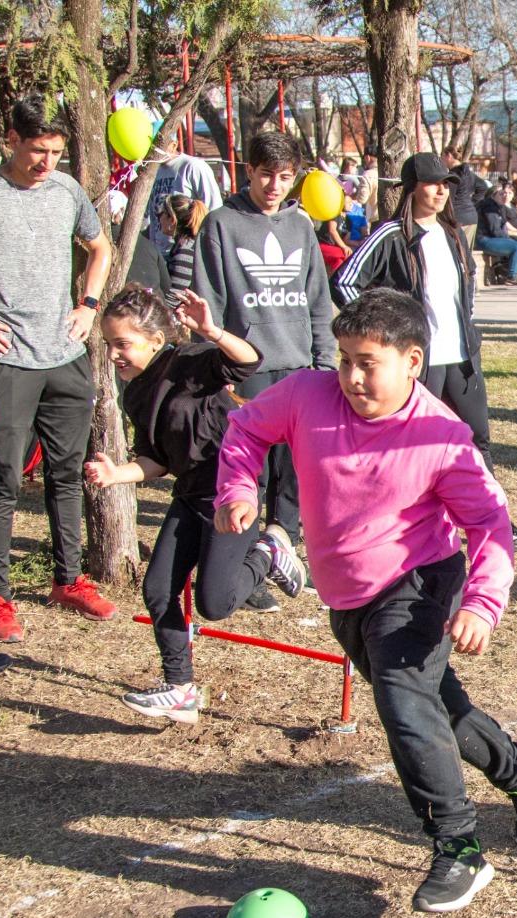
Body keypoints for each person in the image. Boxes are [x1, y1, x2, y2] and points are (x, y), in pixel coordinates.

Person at [214, 288, 517, 913]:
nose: (350, 376)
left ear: (412, 362)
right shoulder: (304, 394)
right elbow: (244, 428)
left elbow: (491, 524)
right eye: (345, 358)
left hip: (419, 583)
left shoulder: (442, 437)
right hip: (347, 593)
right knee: (432, 706)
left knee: (404, 705)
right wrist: (237, 488)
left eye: (367, 362)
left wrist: (482, 604)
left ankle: (459, 848)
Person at [0, 95, 117, 642]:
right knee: (4, 481)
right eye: (38, 150)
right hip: (5, 362)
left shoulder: (65, 191)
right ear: (11, 139)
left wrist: (87, 306)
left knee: (67, 475)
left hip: (64, 358)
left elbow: (100, 247)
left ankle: (69, 579)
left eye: (57, 153)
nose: (47, 163)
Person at [84, 285, 305, 718]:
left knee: (215, 603)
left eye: (122, 345)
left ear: (154, 339)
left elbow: (248, 361)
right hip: (189, 493)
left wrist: (211, 331)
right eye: (109, 345)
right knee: (157, 590)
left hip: (232, 491)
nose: (114, 355)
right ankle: (179, 687)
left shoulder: (187, 363)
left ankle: (270, 552)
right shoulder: (134, 393)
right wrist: (116, 474)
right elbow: (156, 461)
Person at [332, 153, 517, 553]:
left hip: (461, 359)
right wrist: (381, 337)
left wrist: (471, 331)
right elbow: (344, 282)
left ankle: (496, 522)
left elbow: (466, 295)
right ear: (412, 187)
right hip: (417, 364)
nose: (441, 191)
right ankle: (398, 530)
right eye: (433, 183)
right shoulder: (391, 234)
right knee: (411, 445)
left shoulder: (452, 235)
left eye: (446, 184)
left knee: (476, 439)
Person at [192, 130, 336, 609]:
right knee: (245, 474)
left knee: (294, 472)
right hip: (246, 367)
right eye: (266, 174)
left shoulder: (301, 226)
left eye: (285, 176)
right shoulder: (221, 225)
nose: (275, 185)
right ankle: (245, 567)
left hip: (299, 365)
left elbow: (318, 300)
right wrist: (220, 368)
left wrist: (323, 361)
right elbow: (209, 303)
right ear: (247, 171)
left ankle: (283, 549)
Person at [144, 128, 222, 254]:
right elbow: (153, 217)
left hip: (187, 251)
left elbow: (214, 207)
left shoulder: (193, 166)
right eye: (151, 146)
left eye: (158, 146)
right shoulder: (154, 172)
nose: (154, 151)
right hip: (160, 253)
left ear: (174, 144)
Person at [161, 195, 208, 303]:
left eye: (161, 213)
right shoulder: (185, 244)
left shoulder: (184, 250)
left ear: (172, 219)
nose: (159, 218)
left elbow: (174, 297)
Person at [443, 143, 488, 250]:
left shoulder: (453, 177)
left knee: (459, 255)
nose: (441, 160)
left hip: (458, 218)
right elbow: (483, 186)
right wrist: (471, 202)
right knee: (466, 254)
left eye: (442, 156)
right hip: (471, 217)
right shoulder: (469, 174)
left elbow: (449, 199)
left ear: (449, 156)